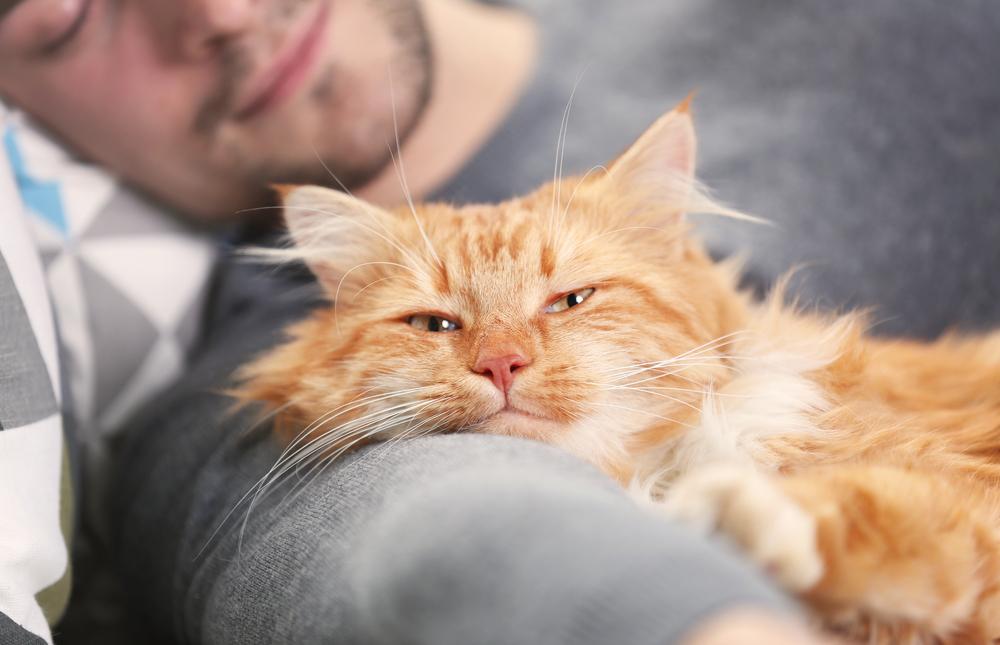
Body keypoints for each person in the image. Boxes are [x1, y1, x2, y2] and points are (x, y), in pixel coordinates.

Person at [0, 0, 997, 643]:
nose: (215, 12)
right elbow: (422, 540)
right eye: (69, 19)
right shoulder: (249, 393)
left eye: (568, 304)